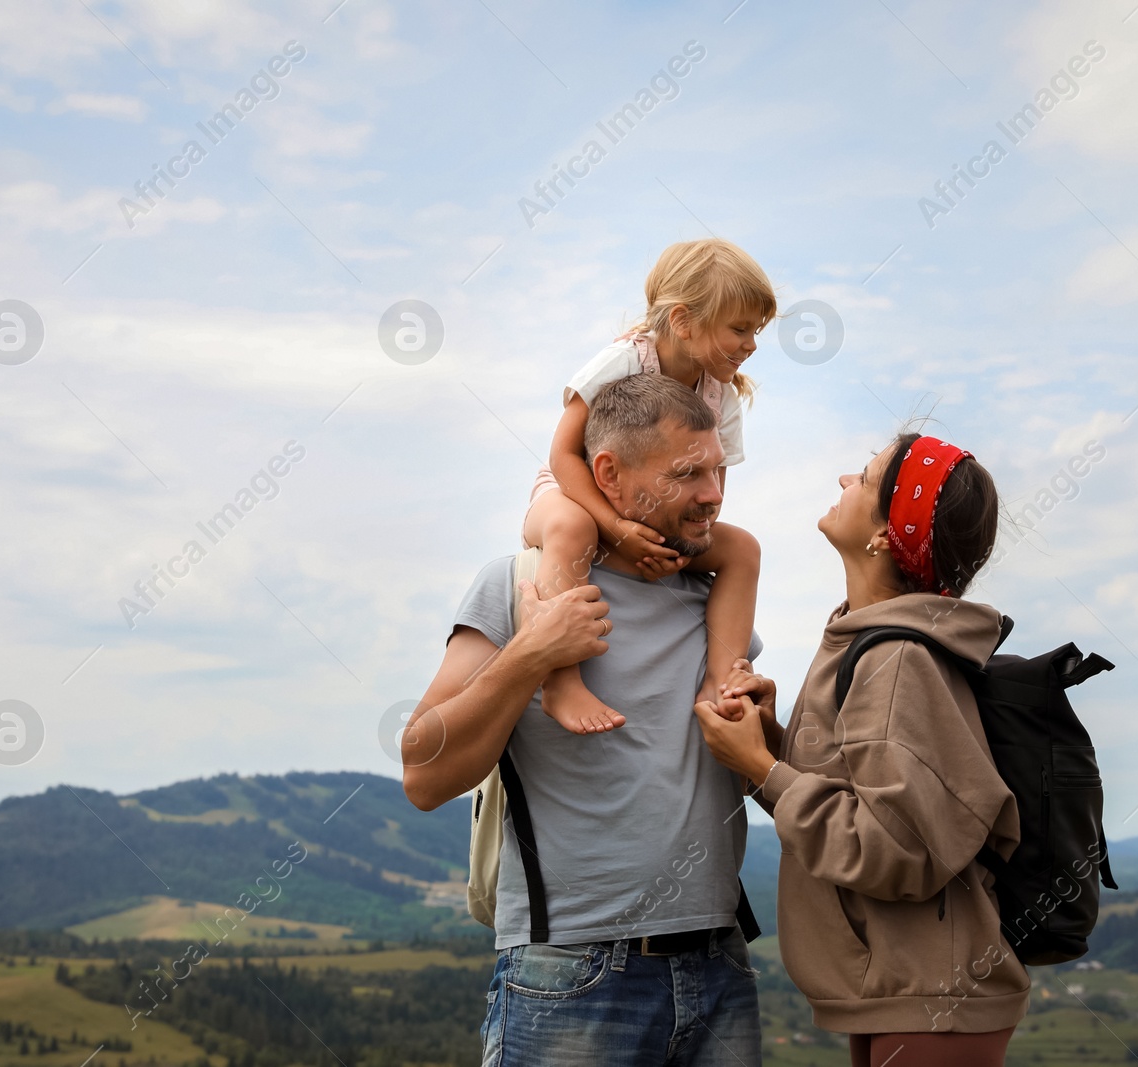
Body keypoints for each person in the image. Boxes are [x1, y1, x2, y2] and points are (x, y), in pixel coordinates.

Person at [402, 374, 764, 1067]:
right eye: (688, 472)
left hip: (721, 964)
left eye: (719, 469)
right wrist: (535, 652)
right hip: (572, 973)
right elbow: (422, 770)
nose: (715, 492)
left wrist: (761, 732)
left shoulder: (715, 602)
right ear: (609, 474)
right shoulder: (518, 582)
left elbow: (731, 772)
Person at [692, 432, 1027, 1067]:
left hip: (931, 994)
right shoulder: (868, 642)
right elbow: (866, 806)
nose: (846, 479)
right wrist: (769, 749)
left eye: (866, 480)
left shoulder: (897, 659)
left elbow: (897, 848)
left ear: (884, 535)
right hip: (909, 986)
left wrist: (761, 766)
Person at [521, 237, 773, 734]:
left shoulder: (721, 396)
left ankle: (722, 680)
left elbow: (713, 488)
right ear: (683, 321)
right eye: (740, 329)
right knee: (572, 530)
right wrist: (614, 527)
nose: (752, 344)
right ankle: (561, 680)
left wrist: (688, 544)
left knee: (741, 548)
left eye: (755, 330)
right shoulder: (624, 362)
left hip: (660, 516)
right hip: (575, 493)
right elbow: (563, 454)